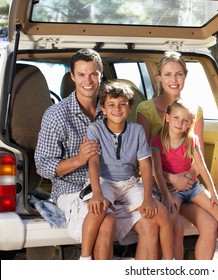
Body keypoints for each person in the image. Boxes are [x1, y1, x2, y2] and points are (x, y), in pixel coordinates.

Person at [34, 49, 158, 260]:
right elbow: (43, 166)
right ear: (72, 77)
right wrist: (79, 160)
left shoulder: (114, 109)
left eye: (93, 74)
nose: (88, 80)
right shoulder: (56, 115)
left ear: (101, 74)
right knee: (106, 219)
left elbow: (135, 154)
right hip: (72, 188)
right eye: (81, 74)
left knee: (150, 222)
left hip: (117, 185)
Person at [136, 51, 218, 259]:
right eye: (168, 74)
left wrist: (187, 180)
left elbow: (196, 154)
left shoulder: (195, 110)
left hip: (187, 187)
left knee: (210, 225)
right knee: (176, 227)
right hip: (158, 185)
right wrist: (171, 179)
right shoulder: (145, 109)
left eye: (179, 74)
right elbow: (143, 158)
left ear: (186, 75)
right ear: (159, 77)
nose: (174, 80)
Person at [82, 80, 174, 260]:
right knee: (98, 208)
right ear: (103, 109)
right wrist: (97, 193)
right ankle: (84, 258)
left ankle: (169, 261)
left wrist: (148, 198)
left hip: (129, 183)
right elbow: (93, 163)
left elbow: (146, 166)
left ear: (130, 107)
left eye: (122, 104)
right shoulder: (95, 129)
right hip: (104, 180)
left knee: (162, 214)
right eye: (111, 105)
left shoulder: (137, 130)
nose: (117, 109)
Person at [151, 98, 218, 260]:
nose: (180, 123)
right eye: (176, 118)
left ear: (189, 123)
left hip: (193, 188)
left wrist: (214, 195)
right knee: (171, 223)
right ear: (167, 117)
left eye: (185, 120)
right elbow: (157, 172)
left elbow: (202, 167)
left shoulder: (191, 140)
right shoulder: (157, 141)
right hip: (172, 191)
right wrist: (166, 196)